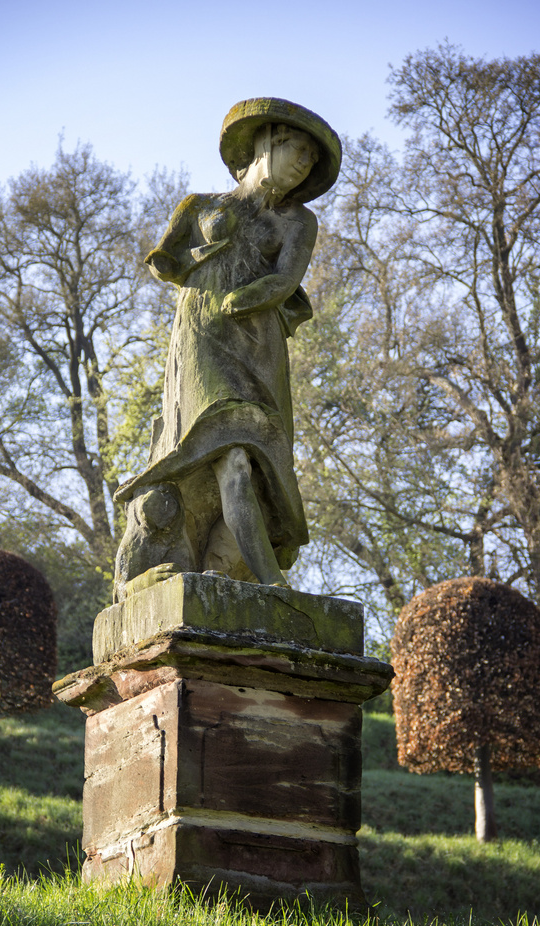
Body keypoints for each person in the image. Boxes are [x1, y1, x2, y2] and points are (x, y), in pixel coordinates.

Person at [113, 98, 341, 598]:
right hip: (201, 340)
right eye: (296, 149)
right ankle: (271, 584)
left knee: (255, 464)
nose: (303, 163)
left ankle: (256, 576)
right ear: (266, 144)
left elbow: (285, 281)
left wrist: (247, 297)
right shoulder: (201, 206)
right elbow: (164, 262)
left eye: (309, 158)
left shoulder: (299, 221)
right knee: (231, 454)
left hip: (257, 345)